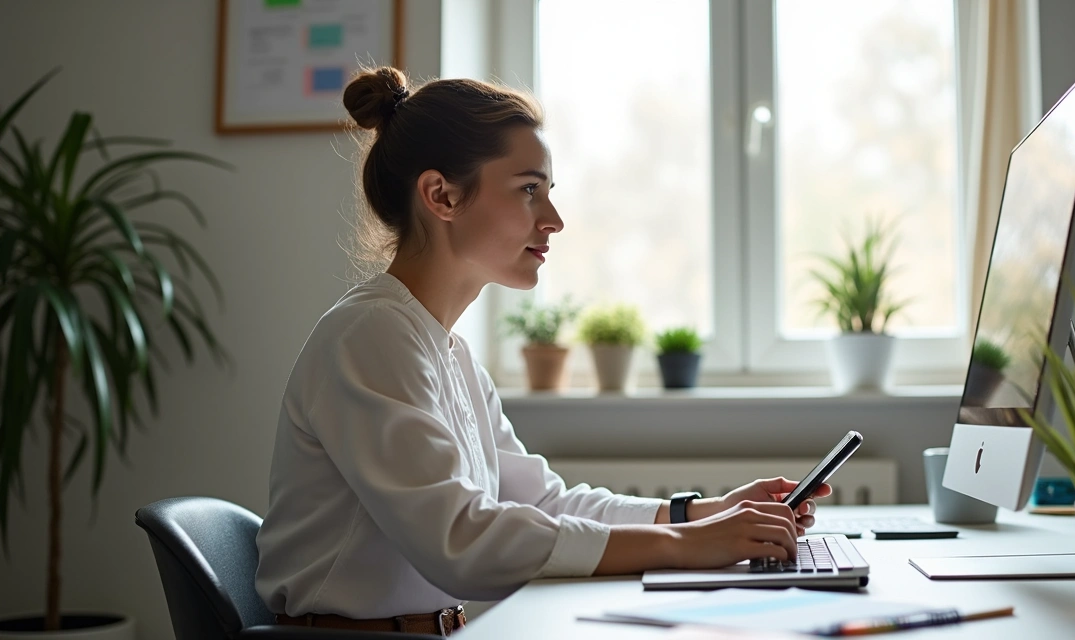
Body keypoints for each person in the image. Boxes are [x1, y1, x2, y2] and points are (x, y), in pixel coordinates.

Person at [254, 66, 831, 636]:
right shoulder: (369, 335)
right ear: (441, 196)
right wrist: (684, 544)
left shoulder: (448, 353)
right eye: (529, 190)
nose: (553, 220)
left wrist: (705, 513)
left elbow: (545, 504)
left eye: (548, 192)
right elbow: (463, 542)